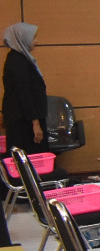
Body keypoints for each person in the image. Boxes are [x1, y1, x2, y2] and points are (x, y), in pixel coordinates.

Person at [1, 22, 49, 154]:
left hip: (24, 118)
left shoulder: (20, 58)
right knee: (30, 157)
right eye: (33, 38)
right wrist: (35, 123)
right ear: (22, 38)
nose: (36, 41)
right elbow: (24, 94)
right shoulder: (18, 62)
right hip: (24, 123)